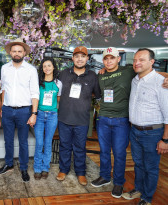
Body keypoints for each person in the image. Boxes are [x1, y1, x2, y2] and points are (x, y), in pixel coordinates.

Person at [122, 48, 168, 205]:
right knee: (138, 164)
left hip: (152, 133)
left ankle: (147, 197)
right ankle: (138, 189)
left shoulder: (160, 82)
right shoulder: (135, 80)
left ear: (152, 62)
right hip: (135, 131)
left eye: (141, 60)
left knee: (151, 167)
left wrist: (165, 140)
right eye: (135, 60)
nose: (137, 63)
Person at [90, 47, 135, 198]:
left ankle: (119, 182)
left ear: (118, 58)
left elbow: (148, 73)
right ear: (103, 61)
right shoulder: (100, 76)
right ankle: (104, 176)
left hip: (121, 120)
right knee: (104, 151)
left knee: (119, 153)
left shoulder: (128, 71)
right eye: (106, 58)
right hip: (103, 119)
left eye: (112, 58)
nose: (109, 61)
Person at [0, 38, 39, 182]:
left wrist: (33, 113)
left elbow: (35, 93)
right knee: (7, 140)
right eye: (14, 51)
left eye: (19, 51)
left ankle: (24, 168)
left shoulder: (31, 70)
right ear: (10, 53)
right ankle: (9, 164)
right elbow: (2, 90)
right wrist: (1, 108)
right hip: (7, 110)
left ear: (24, 53)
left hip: (24, 111)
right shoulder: (4, 68)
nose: (16, 53)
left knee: (23, 142)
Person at [57, 46, 101, 186]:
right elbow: (56, 93)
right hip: (64, 118)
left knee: (80, 147)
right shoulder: (63, 74)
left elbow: (97, 95)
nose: (80, 59)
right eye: (77, 56)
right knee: (64, 146)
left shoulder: (93, 76)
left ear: (87, 58)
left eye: (83, 56)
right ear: (72, 58)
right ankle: (63, 170)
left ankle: (80, 172)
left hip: (82, 120)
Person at [33, 57, 62, 180]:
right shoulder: (38, 82)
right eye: (44, 66)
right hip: (39, 115)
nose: (47, 68)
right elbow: (35, 98)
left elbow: (58, 99)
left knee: (48, 142)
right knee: (39, 143)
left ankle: (45, 168)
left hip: (52, 115)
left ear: (54, 67)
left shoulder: (58, 83)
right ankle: (37, 168)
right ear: (42, 69)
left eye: (49, 65)